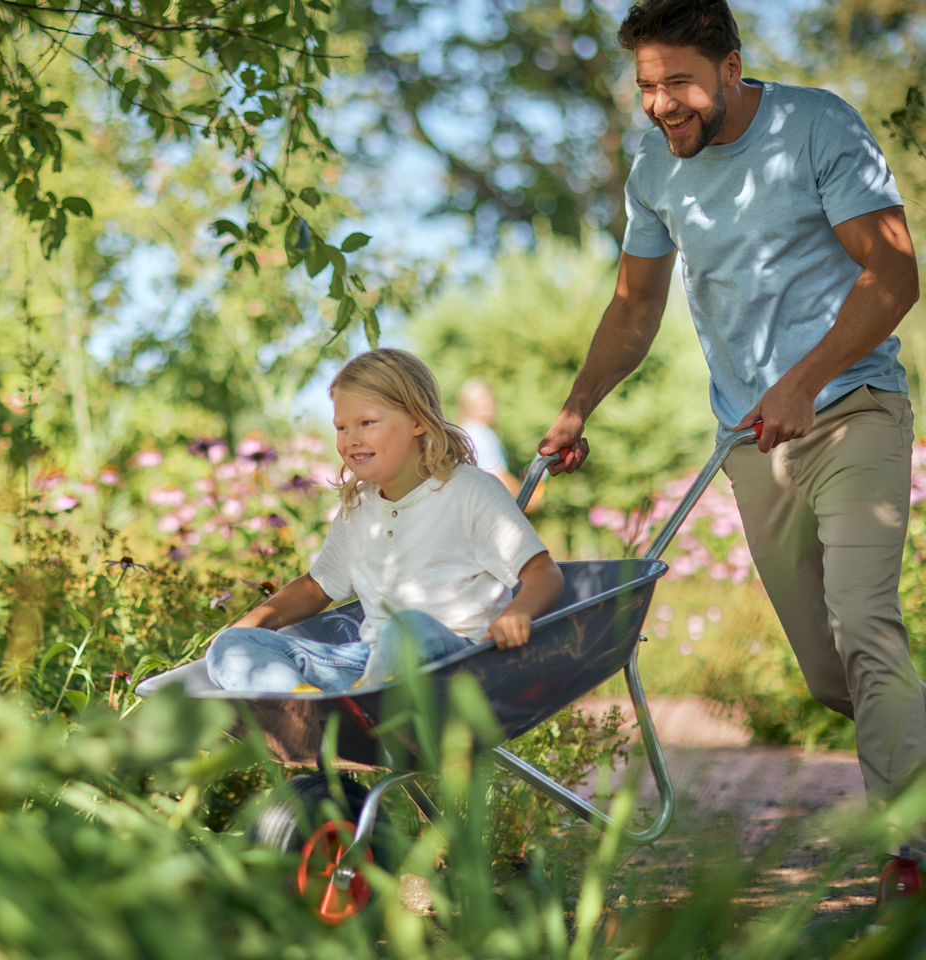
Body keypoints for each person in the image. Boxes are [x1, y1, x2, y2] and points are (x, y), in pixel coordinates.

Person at [537, 0, 926, 884]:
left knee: (867, 627)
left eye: (678, 81)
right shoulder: (652, 171)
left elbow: (894, 272)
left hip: (855, 409)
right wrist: (578, 406)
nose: (662, 102)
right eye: (646, 85)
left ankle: (912, 854)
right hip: (753, 445)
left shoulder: (817, 125)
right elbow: (636, 306)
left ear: (730, 67)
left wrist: (802, 378)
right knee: (838, 678)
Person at [207, 348, 564, 693]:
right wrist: (247, 627)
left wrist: (517, 613)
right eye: (342, 427)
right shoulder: (359, 509)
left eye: (367, 423)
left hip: (456, 666)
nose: (352, 439)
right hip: (368, 665)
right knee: (230, 648)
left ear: (418, 421)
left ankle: (363, 704)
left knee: (406, 628)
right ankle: (313, 707)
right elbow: (317, 587)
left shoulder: (470, 491)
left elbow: (544, 573)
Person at [458, 378, 542, 510]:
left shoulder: (463, 432)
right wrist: (527, 497)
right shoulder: (480, 433)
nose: (489, 404)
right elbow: (498, 476)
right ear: (468, 405)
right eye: (482, 400)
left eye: (489, 399)